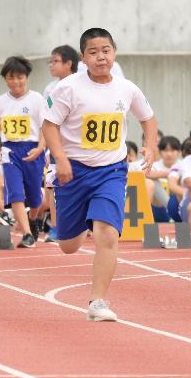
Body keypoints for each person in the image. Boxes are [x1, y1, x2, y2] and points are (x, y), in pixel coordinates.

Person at [41, 28, 160, 323]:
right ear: (83, 58)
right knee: (69, 246)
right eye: (93, 52)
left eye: (105, 50)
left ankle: (97, 302)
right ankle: (79, 221)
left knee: (107, 233)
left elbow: (148, 117)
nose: (100, 57)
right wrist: (60, 159)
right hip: (74, 170)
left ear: (114, 52)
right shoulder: (68, 88)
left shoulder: (126, 88)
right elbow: (49, 125)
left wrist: (150, 145)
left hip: (111, 170)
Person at [0, 55, 48, 248]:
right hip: (10, 151)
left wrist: (41, 147)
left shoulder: (37, 99)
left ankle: (33, 218)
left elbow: (46, 126)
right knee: (16, 193)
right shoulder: (1, 101)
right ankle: (28, 233)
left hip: (33, 150)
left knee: (35, 196)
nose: (16, 82)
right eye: (11, 77)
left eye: (20, 77)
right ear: (5, 79)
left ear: (27, 77)